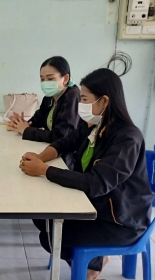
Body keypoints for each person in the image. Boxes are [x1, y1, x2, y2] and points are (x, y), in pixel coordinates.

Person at [19, 68, 153, 280]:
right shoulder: (94, 125)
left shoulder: (127, 138)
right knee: (41, 217)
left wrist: (44, 170)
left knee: (52, 236)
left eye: (84, 99)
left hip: (120, 220)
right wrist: (40, 158)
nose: (80, 105)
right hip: (93, 204)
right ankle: (95, 260)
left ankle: (93, 265)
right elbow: (65, 142)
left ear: (104, 101)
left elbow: (97, 183)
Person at [9, 56, 81, 169]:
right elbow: (40, 117)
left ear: (65, 78)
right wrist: (23, 123)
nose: (45, 83)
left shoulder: (73, 96)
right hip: (51, 149)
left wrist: (26, 131)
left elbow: (61, 135)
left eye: (50, 78)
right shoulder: (51, 96)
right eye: (42, 79)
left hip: (66, 158)